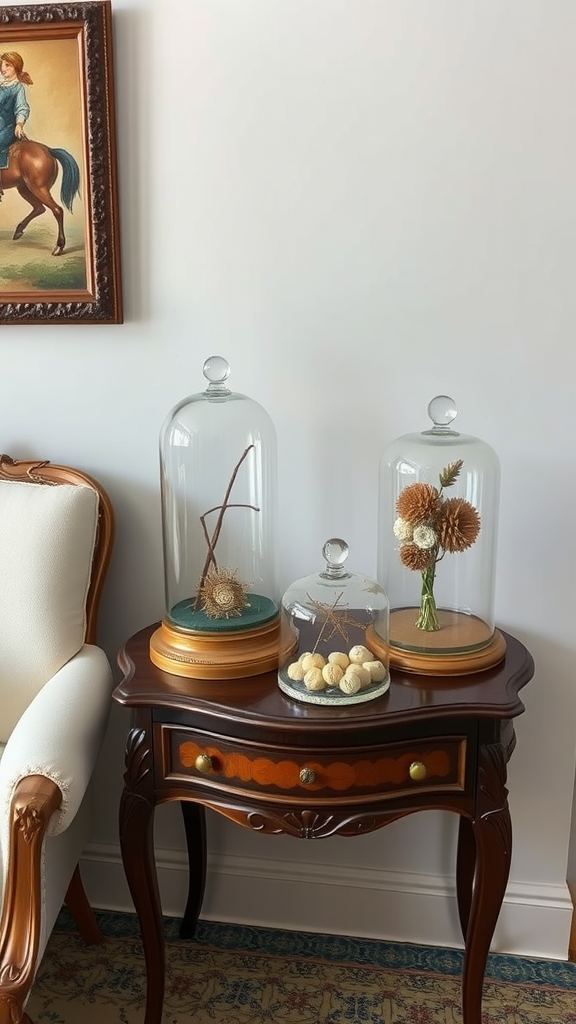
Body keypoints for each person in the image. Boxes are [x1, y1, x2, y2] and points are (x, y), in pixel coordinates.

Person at [0, 51, 32, 199]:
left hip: (6, 128)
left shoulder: (17, 88)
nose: (3, 68)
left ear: (16, 67)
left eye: (7, 65)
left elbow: (22, 107)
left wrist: (19, 124)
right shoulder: (1, 85)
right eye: (2, 65)